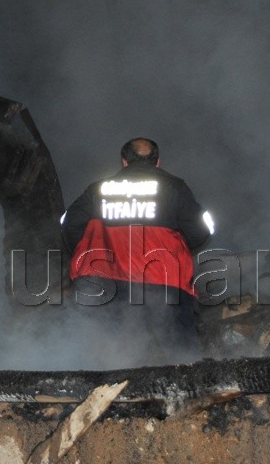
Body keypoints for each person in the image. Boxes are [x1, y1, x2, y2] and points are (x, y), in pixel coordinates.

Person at [61, 137, 215, 363]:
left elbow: (69, 225)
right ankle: (189, 394)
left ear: (124, 161)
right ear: (157, 162)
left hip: (102, 283)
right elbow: (202, 231)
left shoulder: (99, 190)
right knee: (183, 358)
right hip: (163, 283)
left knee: (99, 357)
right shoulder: (174, 187)